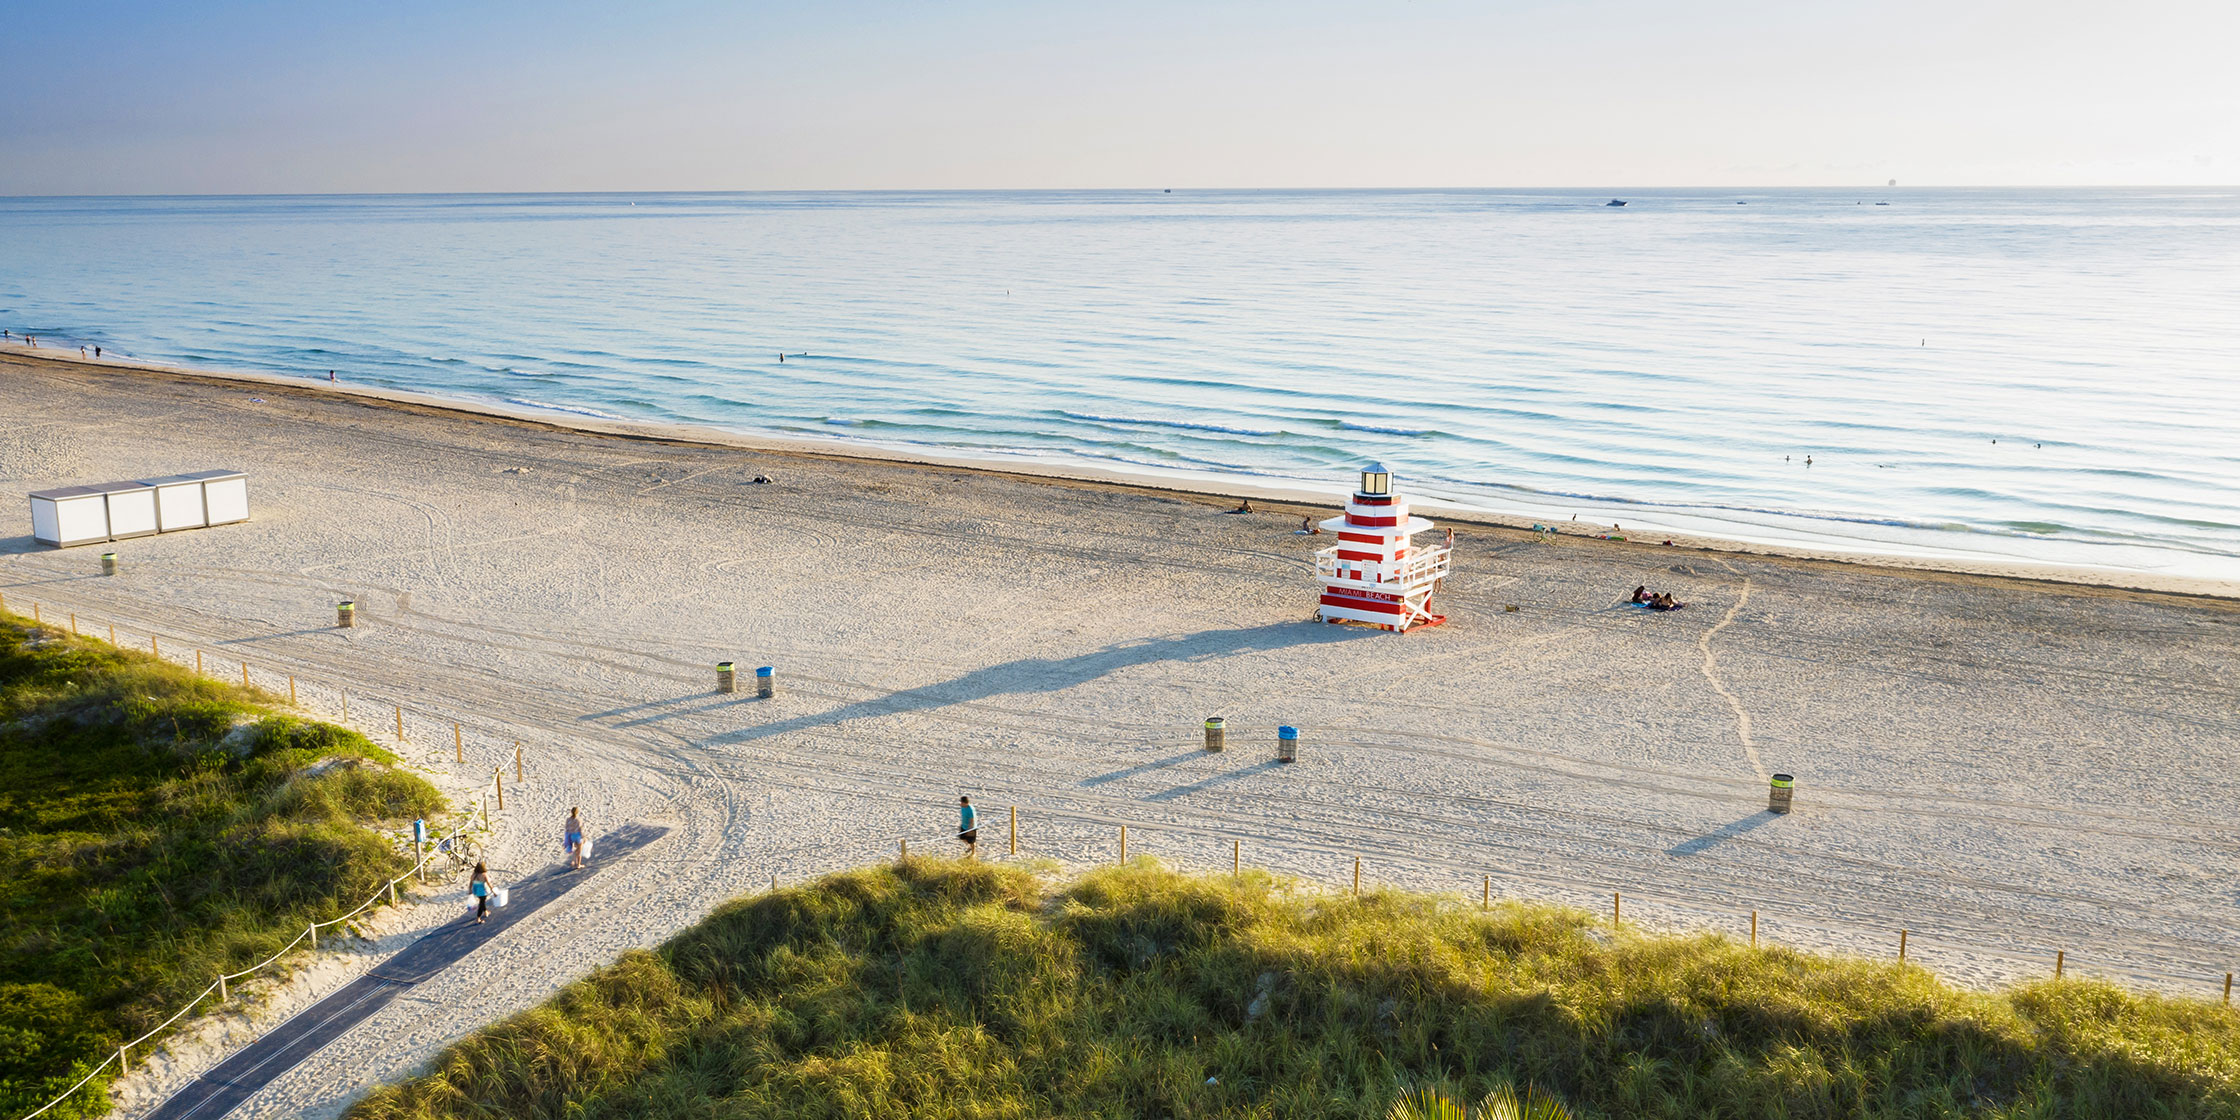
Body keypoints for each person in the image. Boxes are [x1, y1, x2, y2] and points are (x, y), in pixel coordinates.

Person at [958, 795, 978, 860]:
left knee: (971, 841)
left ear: (965, 803)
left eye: (961, 802)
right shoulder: (962, 807)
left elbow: (972, 820)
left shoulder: (970, 810)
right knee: (962, 837)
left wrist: (970, 829)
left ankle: (973, 852)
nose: (960, 803)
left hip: (971, 827)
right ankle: (970, 847)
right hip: (964, 825)